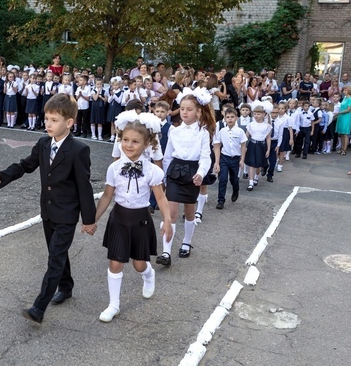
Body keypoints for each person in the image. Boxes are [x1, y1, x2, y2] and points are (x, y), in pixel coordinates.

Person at [0, 94, 96, 324]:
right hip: (48, 212)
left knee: (55, 258)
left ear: (69, 123)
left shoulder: (79, 150)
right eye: (46, 118)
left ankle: (39, 307)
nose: (48, 124)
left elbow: (84, 187)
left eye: (54, 120)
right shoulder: (43, 144)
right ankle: (67, 286)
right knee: (56, 253)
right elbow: (25, 166)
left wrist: (88, 219)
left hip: (67, 214)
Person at [92, 111, 172, 322]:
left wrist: (168, 221)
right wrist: (93, 219)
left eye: (135, 141)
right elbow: (107, 196)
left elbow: (161, 198)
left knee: (138, 264)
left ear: (146, 144)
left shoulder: (152, 171)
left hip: (140, 220)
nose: (129, 145)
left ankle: (148, 274)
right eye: (125, 140)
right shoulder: (114, 168)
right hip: (119, 218)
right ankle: (113, 305)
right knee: (115, 262)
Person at [156, 88, 215, 266]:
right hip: (175, 172)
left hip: (192, 173)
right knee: (171, 213)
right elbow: (167, 156)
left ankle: (187, 242)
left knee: (189, 213)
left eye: (189, 109)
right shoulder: (174, 131)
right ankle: (166, 253)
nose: (184, 112)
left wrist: (200, 173)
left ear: (198, 112)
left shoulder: (203, 133)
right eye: (182, 109)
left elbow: (205, 156)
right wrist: (164, 178)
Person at [213, 107, 247, 209]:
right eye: (227, 117)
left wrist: (242, 160)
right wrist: (217, 162)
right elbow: (217, 146)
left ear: (236, 118)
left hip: (235, 159)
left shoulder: (240, 131)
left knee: (234, 180)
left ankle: (235, 190)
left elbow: (243, 146)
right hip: (224, 158)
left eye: (232, 117)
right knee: (222, 179)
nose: (230, 119)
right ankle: (221, 200)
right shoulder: (222, 131)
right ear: (224, 118)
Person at [244, 104, 272, 191]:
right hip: (252, 145)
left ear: (264, 114)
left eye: (258, 114)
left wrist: (268, 149)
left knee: (258, 164)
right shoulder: (251, 125)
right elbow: (246, 136)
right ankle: (251, 182)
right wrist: (244, 146)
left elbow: (268, 138)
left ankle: (256, 177)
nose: (256, 116)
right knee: (251, 164)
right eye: (255, 114)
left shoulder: (266, 126)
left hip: (261, 145)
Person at [334, 85, 351, 155]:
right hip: (341, 116)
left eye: (345, 90)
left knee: (345, 133)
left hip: (346, 116)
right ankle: (342, 148)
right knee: (342, 133)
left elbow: (349, 109)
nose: (344, 91)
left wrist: (339, 113)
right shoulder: (345, 98)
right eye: (343, 90)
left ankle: (345, 149)